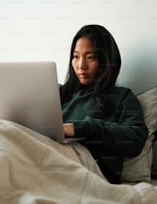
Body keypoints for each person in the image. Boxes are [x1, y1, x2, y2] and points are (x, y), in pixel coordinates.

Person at [59, 24, 149, 184]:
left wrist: (81, 128)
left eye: (90, 57)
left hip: (89, 164)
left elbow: (136, 138)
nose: (81, 65)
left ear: (106, 60)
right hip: (50, 151)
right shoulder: (59, 93)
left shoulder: (122, 97)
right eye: (76, 56)